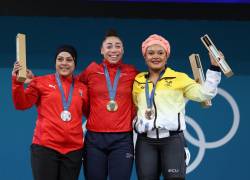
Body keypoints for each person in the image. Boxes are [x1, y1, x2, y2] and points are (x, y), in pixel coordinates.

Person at [132, 34, 222, 180]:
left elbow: (206, 93)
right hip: (145, 142)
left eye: (160, 53)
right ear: (145, 56)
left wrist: (214, 68)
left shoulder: (179, 78)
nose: (156, 56)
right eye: (151, 53)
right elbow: (136, 105)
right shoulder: (138, 80)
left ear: (167, 56)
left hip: (172, 141)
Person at [12, 45, 88, 180]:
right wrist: (17, 84)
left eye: (69, 60)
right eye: (60, 59)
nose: (64, 63)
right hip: (46, 148)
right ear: (55, 62)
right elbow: (21, 104)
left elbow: (91, 113)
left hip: (73, 151)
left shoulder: (82, 88)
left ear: (75, 63)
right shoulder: (41, 82)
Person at [79, 29, 138, 180]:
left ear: (123, 50)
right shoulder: (91, 70)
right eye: (109, 46)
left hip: (123, 139)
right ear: (101, 50)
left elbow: (152, 86)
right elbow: (70, 86)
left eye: (118, 46)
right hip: (94, 139)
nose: (113, 50)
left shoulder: (132, 72)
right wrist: (34, 80)